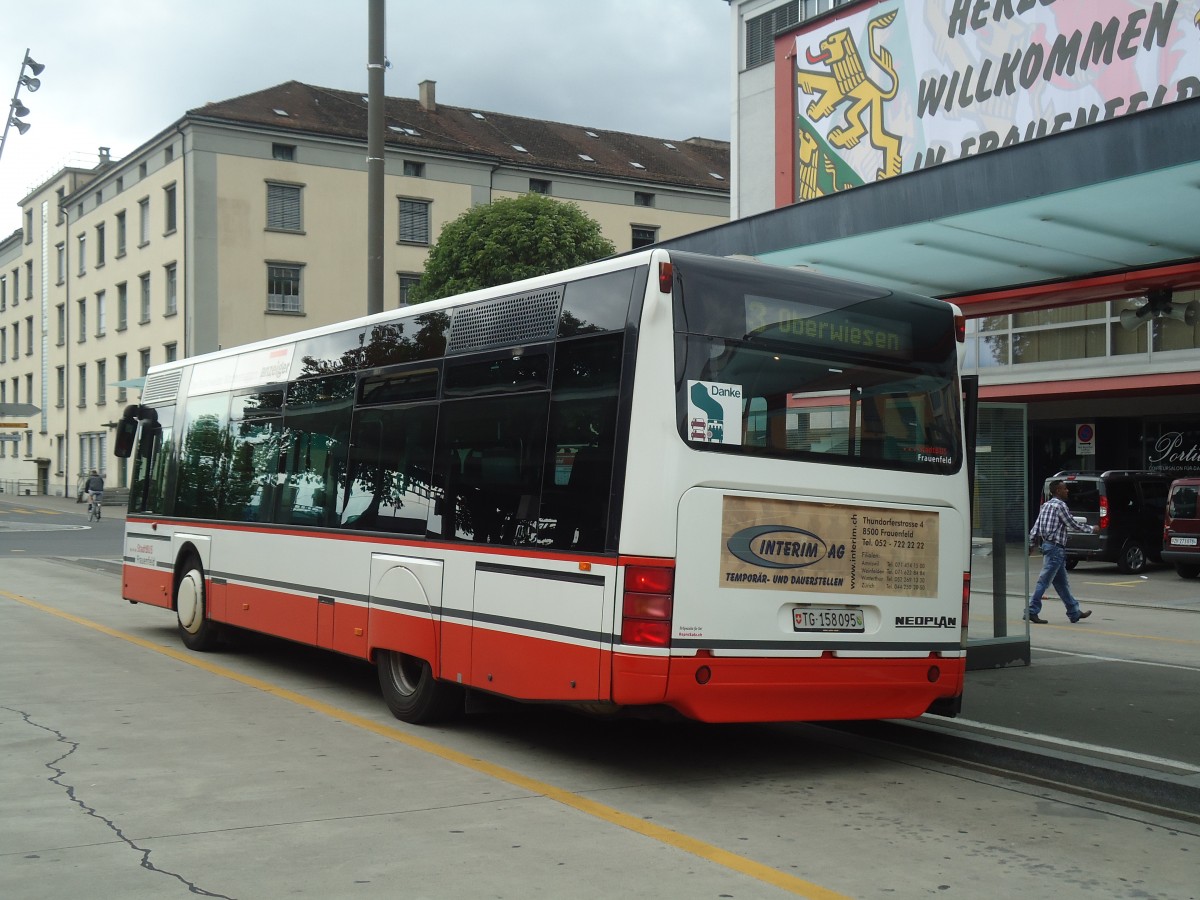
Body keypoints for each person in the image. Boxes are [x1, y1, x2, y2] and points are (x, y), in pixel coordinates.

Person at [1026, 479, 1095, 624]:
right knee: (1043, 581)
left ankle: (1074, 612)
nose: (1067, 491)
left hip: (1049, 547)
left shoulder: (1045, 505)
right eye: (1065, 488)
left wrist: (1031, 542)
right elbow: (1072, 524)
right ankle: (1031, 610)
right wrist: (1091, 529)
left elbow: (1036, 525)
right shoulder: (1060, 506)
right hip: (1055, 549)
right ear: (1058, 491)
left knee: (1062, 584)